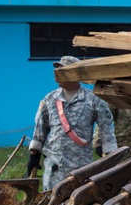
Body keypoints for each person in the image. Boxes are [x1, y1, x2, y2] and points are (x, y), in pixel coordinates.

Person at [27, 55, 117, 190]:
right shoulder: (50, 99)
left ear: (75, 74)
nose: (58, 75)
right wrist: (34, 155)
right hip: (54, 169)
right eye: (57, 71)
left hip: (81, 169)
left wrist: (109, 157)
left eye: (63, 71)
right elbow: (40, 128)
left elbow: (106, 129)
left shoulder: (93, 100)